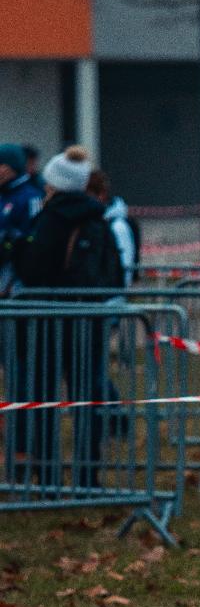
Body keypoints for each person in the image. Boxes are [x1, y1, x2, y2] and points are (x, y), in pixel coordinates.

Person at [16, 145, 122, 488]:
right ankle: (88, 476)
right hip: (89, 322)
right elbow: (115, 274)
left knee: (44, 400)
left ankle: (48, 476)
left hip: (48, 322)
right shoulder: (98, 218)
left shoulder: (50, 219)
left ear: (57, 183)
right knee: (86, 398)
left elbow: (32, 270)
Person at [0, 143, 44, 295]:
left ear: (13, 167)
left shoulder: (31, 197)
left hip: (16, 278)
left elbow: (31, 239)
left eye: (1, 165)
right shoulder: (4, 196)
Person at [87, 169, 136, 288]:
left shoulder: (118, 227)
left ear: (101, 195)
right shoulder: (100, 223)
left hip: (110, 294)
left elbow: (124, 268)